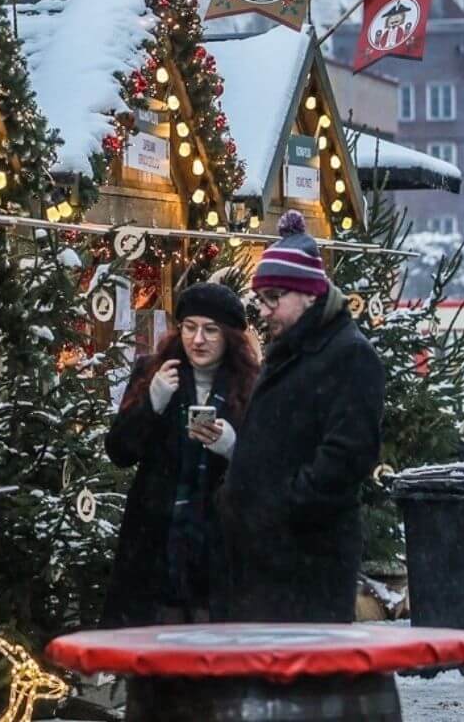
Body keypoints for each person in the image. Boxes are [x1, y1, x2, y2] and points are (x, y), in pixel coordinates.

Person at [218, 210, 384, 622]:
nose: (265, 310)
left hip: (308, 556)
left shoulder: (348, 354)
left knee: (305, 675)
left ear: (309, 295)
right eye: (261, 299)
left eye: (275, 297)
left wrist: (284, 506)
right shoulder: (292, 349)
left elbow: (347, 455)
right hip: (269, 553)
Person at [102, 283, 260, 626]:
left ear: (229, 336)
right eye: (190, 327)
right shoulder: (153, 373)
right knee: (154, 658)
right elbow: (120, 450)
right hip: (156, 543)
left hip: (218, 547)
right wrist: (152, 404)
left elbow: (268, 467)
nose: (197, 340)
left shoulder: (249, 385)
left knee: (213, 660)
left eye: (210, 330)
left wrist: (233, 447)